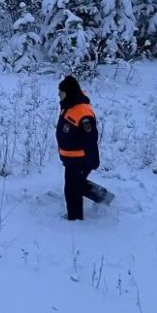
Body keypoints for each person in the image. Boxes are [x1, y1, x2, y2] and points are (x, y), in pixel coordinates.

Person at [56, 75, 100, 220]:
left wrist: (92, 160)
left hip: (80, 159)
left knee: (72, 189)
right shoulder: (68, 105)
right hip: (70, 158)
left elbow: (91, 139)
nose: (59, 95)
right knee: (76, 185)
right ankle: (103, 197)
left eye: (61, 92)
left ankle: (75, 220)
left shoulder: (83, 113)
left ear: (69, 92)